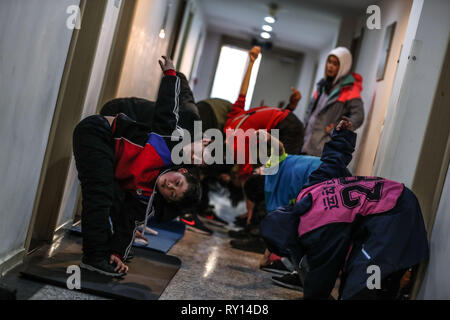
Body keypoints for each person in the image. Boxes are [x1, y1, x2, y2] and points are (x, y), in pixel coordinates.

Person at [260, 117, 429, 300]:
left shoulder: (311, 230)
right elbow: (331, 163)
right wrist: (342, 135)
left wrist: (313, 295)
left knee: (359, 289)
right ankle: (394, 280)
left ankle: (396, 280)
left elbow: (323, 270)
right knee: (355, 276)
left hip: (393, 212)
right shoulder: (307, 194)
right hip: (394, 196)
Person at [73, 56, 203, 277]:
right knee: (99, 194)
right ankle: (94, 257)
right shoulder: (167, 148)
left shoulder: (148, 198)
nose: (169, 186)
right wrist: (170, 75)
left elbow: (128, 223)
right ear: (181, 171)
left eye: (171, 194)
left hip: (111, 158)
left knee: (110, 201)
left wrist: (117, 254)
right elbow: (168, 112)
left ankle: (103, 252)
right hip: (98, 132)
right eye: (176, 183)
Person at [224, 46, 305, 184]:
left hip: (286, 123)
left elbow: (243, 92)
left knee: (284, 173)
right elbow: (248, 172)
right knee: (280, 174)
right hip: (285, 125)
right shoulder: (235, 146)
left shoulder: (233, 119)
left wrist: (251, 62)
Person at [302, 47, 364, 157]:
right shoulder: (322, 85)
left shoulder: (350, 88)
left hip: (322, 147)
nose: (330, 66)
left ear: (343, 66)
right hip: (306, 141)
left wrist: (337, 129)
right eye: (329, 62)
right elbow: (310, 112)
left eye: (335, 64)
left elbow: (358, 116)